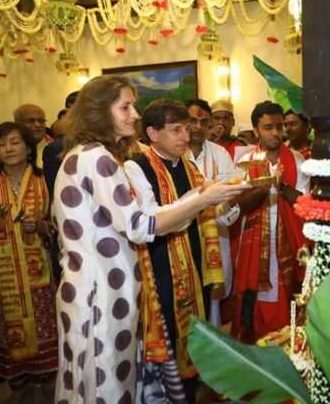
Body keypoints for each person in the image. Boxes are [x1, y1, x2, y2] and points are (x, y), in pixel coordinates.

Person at [52, 75, 249, 404]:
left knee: (91, 385)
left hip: (100, 289)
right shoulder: (96, 157)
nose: (135, 115)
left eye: (134, 106)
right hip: (101, 293)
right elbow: (140, 225)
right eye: (125, 107)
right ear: (100, 111)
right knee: (105, 388)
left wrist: (204, 196)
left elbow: (142, 216)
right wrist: (201, 201)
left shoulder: (87, 155)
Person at [123, 99, 228, 404]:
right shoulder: (136, 166)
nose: (186, 135)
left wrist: (229, 197)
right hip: (159, 263)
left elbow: (214, 214)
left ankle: (192, 389)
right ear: (153, 134)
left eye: (188, 127)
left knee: (196, 325)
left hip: (194, 259)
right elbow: (151, 216)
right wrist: (201, 198)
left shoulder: (189, 166)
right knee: (169, 327)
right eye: (177, 129)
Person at [0, 122, 58, 403]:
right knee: (9, 331)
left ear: (29, 147)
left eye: (14, 142)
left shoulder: (47, 181)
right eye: (1, 144)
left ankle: (43, 386)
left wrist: (41, 227)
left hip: (41, 271)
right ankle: (18, 389)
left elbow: (59, 227)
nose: (8, 149)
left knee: (44, 328)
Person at [232, 101, 309, 342]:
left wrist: (282, 184)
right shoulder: (244, 162)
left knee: (287, 292)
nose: (276, 133)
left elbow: (303, 203)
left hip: (288, 240)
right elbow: (241, 205)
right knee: (255, 295)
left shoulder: (296, 160)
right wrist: (265, 184)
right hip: (254, 242)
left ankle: (289, 344)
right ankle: (255, 346)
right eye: (268, 127)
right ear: (256, 131)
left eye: (279, 126)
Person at [185, 99, 240, 326]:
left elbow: (230, 204)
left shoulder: (220, 155)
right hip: (183, 241)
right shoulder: (175, 154)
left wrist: (220, 202)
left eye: (203, 122)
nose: (198, 127)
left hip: (215, 240)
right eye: (192, 121)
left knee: (213, 306)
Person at [13, 104, 53, 169]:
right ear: (17, 123)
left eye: (41, 121)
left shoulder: (55, 150)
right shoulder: (8, 148)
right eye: (31, 121)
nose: (37, 125)